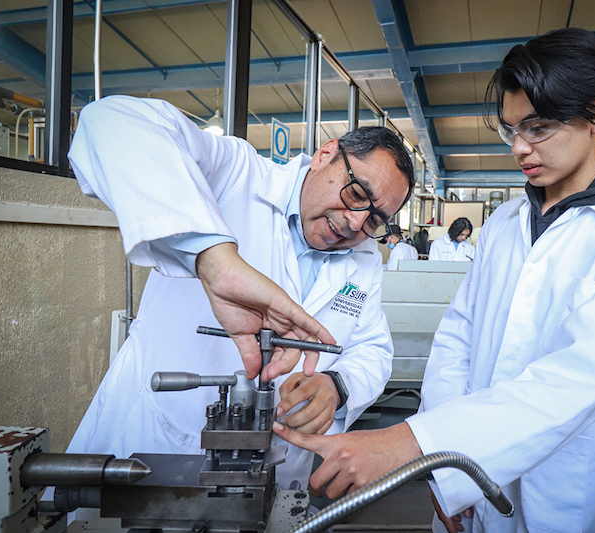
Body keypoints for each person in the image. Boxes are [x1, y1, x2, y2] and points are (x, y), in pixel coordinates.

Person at [275, 27, 595, 533]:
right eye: (510, 129)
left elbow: (578, 376)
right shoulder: (504, 222)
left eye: (537, 128)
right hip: (460, 467)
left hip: (566, 484)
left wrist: (414, 444)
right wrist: (445, 467)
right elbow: (458, 338)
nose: (519, 148)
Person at [63, 95, 415, 495]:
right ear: (326, 154)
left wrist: (337, 386)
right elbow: (108, 121)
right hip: (156, 441)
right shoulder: (236, 174)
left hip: (276, 471)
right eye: (356, 193)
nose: (355, 222)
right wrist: (213, 260)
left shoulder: (365, 257)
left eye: (375, 219)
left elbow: (372, 348)